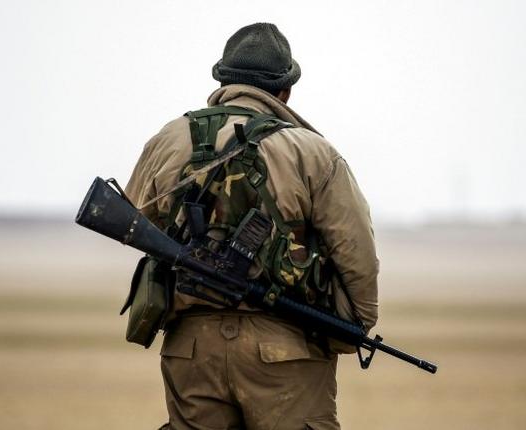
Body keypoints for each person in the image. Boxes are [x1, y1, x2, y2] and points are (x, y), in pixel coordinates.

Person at [124, 23, 379, 430]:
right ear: (286, 91)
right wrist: (349, 332)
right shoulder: (312, 152)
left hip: (191, 350)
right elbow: (357, 256)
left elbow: (137, 222)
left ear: (223, 79)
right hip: (288, 349)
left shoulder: (169, 139)